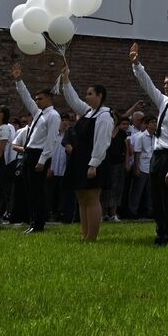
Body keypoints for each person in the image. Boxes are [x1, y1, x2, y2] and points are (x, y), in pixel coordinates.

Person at [130, 43, 168, 246]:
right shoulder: (164, 102)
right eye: (165, 83)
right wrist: (137, 64)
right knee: (157, 199)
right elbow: (147, 85)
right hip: (157, 156)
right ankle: (160, 233)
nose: (165, 86)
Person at [53, 66, 115, 242]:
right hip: (80, 160)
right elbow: (73, 100)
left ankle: (92, 236)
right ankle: (84, 234)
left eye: (89, 94)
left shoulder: (104, 115)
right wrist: (66, 80)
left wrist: (94, 164)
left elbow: (102, 141)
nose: (86, 97)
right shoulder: (88, 112)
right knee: (81, 197)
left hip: (94, 160)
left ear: (99, 96)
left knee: (92, 197)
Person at [12, 66, 61, 234]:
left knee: (37, 191)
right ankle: (32, 221)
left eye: (40, 98)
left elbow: (51, 140)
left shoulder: (53, 116)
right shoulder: (39, 113)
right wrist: (19, 80)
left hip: (39, 155)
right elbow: (26, 99)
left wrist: (42, 160)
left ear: (49, 99)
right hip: (29, 153)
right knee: (29, 190)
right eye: (37, 99)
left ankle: (39, 223)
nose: (37, 101)